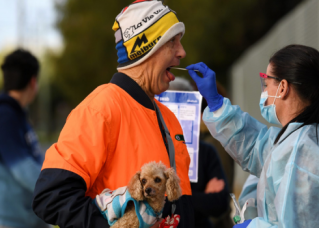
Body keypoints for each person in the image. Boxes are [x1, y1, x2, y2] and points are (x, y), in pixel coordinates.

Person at [32, 1, 193, 228]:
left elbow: (180, 204)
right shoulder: (99, 110)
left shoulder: (168, 117)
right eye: (172, 42)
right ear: (145, 47)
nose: (182, 52)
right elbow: (51, 198)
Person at [187, 44, 319, 228]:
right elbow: (256, 147)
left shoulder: (305, 155)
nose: (264, 92)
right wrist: (217, 104)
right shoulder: (308, 138)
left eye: (266, 83)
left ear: (283, 87)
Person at [168, 78, 231, 228]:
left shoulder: (206, 151)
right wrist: (202, 197)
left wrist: (177, 198)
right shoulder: (153, 150)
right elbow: (154, 202)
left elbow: (221, 202)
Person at [0, 49, 49, 228]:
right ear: (33, 82)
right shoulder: (5, 116)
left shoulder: (16, 114)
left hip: (30, 219)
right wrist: (57, 189)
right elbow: (23, 169)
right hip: (14, 221)